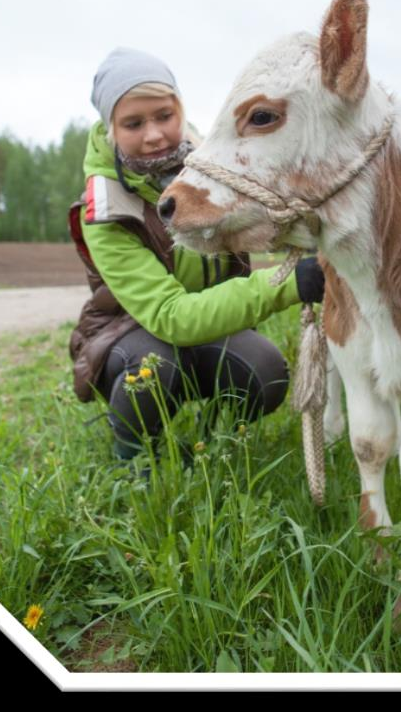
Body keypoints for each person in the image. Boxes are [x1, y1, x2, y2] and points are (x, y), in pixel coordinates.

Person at [68, 46, 325, 462]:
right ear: (111, 128)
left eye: (163, 116)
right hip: (130, 334)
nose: (153, 134)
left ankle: (210, 442)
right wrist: (286, 283)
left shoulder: (213, 173)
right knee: (153, 366)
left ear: (180, 110)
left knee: (265, 370)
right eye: (133, 123)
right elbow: (170, 316)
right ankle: (135, 456)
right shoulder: (104, 210)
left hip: (203, 329)